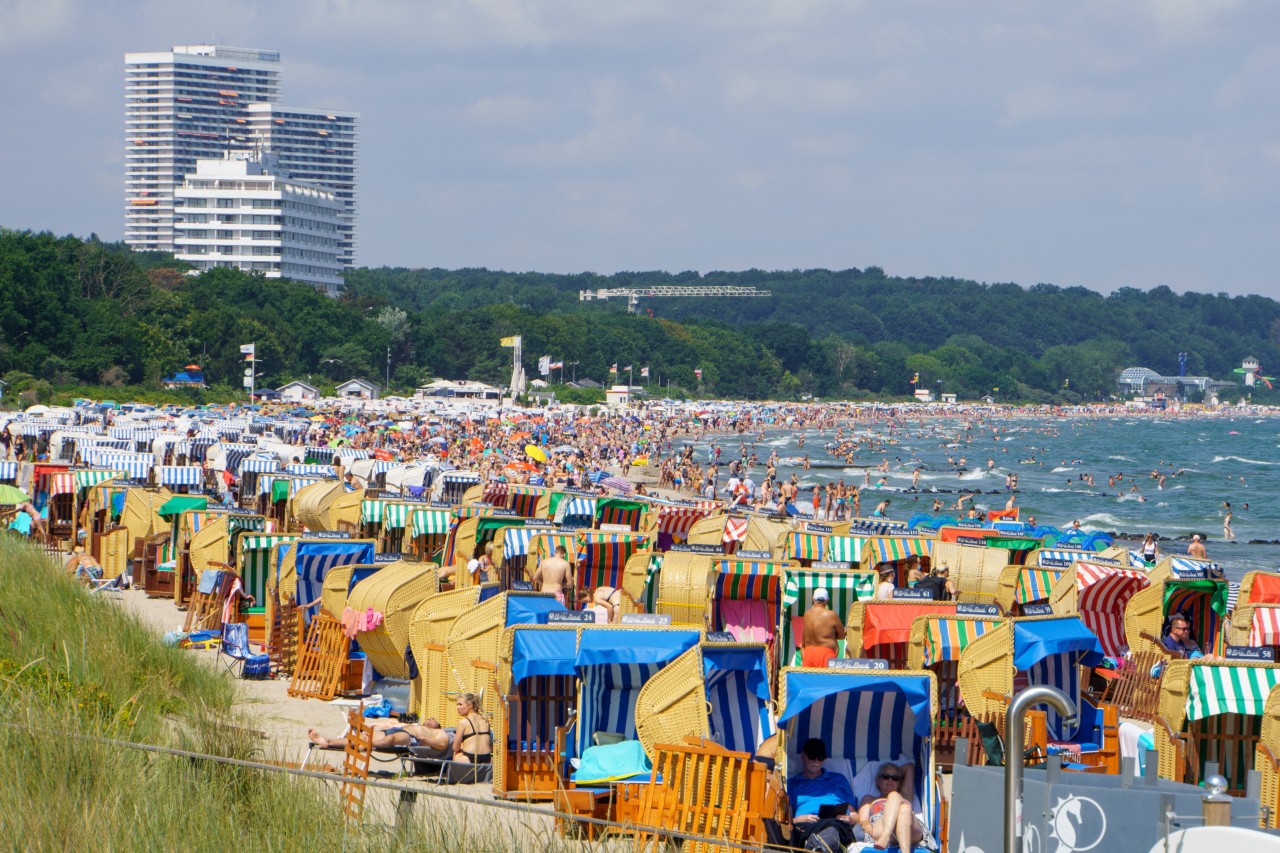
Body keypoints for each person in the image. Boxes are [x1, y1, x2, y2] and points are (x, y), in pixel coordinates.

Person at [787, 738, 857, 852]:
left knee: (834, 826)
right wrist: (798, 819)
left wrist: (850, 819)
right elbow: (787, 819)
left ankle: (818, 847)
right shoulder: (793, 784)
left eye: (820, 758)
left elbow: (855, 814)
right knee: (833, 831)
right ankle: (820, 846)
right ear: (803, 756)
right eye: (812, 756)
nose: (815, 761)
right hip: (806, 826)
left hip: (837, 824)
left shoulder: (838, 780)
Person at [856, 762, 927, 852]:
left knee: (901, 805)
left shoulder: (905, 794)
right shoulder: (869, 799)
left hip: (908, 828)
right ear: (878, 780)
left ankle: (886, 837)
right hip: (880, 826)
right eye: (886, 777)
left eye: (895, 778)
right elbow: (863, 820)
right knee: (899, 801)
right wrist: (866, 824)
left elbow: (909, 767)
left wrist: (895, 773)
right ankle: (889, 837)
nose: (890, 780)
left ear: (900, 783)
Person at [801, 589, 845, 668]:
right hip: (825, 654)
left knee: (808, 680)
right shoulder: (831, 615)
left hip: (808, 652)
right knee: (826, 680)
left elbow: (804, 638)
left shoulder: (806, 614)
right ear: (827, 600)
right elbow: (842, 635)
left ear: (813, 599)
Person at [451, 692, 493, 764]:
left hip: (469, 758)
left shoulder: (463, 722)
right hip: (487, 759)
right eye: (457, 705)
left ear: (470, 705)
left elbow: (455, 747)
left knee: (456, 754)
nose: (457, 707)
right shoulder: (485, 720)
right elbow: (490, 746)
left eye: (460, 704)